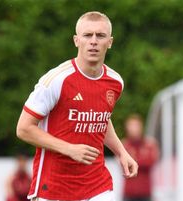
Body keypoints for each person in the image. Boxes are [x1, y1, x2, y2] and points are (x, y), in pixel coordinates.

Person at [16, 11, 138, 201]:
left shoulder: (115, 82)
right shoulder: (56, 80)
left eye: (100, 35)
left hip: (97, 185)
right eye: (87, 35)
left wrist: (122, 152)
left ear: (110, 42)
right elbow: (23, 129)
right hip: (54, 188)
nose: (94, 41)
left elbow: (101, 119)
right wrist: (69, 149)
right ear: (76, 40)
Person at [122, 114, 158, 201]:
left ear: (141, 127)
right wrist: (141, 159)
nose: (133, 128)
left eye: (136, 125)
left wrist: (133, 159)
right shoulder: (123, 145)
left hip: (145, 193)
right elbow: (123, 164)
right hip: (129, 193)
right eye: (131, 125)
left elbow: (151, 162)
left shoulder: (150, 144)